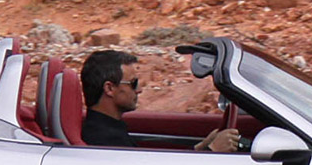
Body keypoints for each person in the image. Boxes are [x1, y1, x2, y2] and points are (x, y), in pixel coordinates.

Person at [79, 50, 239, 151]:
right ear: (109, 89)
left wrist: (201, 147)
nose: (139, 90)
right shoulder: (105, 141)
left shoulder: (107, 129)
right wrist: (212, 150)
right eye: (133, 83)